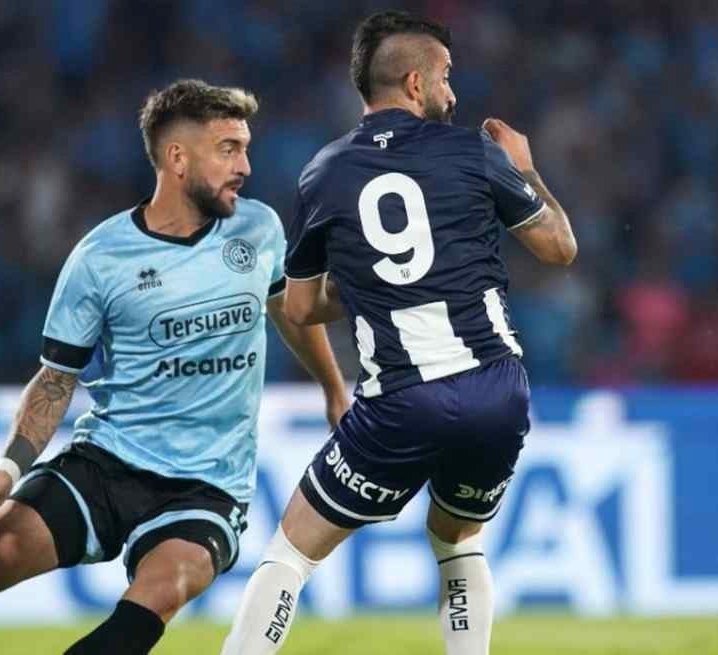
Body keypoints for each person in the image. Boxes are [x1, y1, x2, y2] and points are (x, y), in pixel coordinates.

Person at [0, 79, 348, 655]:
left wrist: (333, 390)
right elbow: (55, 379)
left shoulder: (259, 229)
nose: (244, 166)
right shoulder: (101, 257)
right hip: (109, 461)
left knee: (164, 587)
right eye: (228, 150)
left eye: (245, 149)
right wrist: (8, 468)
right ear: (177, 158)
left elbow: (290, 311)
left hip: (208, 485)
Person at [220, 11, 576, 655]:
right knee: (457, 540)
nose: (452, 93)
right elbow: (559, 248)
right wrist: (526, 169)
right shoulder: (475, 152)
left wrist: (365, 283)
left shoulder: (324, 173)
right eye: (445, 76)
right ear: (415, 83)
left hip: (402, 401)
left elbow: (299, 307)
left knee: (292, 551)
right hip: (495, 389)